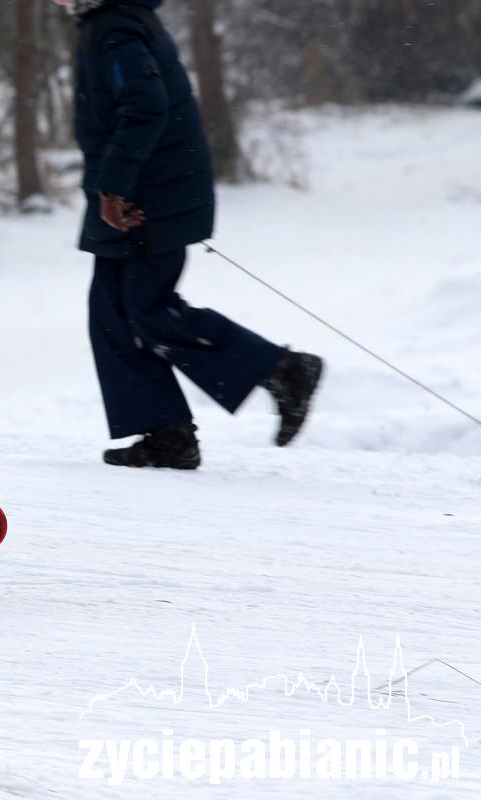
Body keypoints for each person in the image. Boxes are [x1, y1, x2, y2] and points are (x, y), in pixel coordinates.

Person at [57, 0, 323, 469]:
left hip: (145, 196)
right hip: (135, 191)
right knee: (112, 311)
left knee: (146, 308)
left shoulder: (117, 28)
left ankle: (282, 370)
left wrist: (116, 188)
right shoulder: (110, 22)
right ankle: (167, 435)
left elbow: (144, 108)